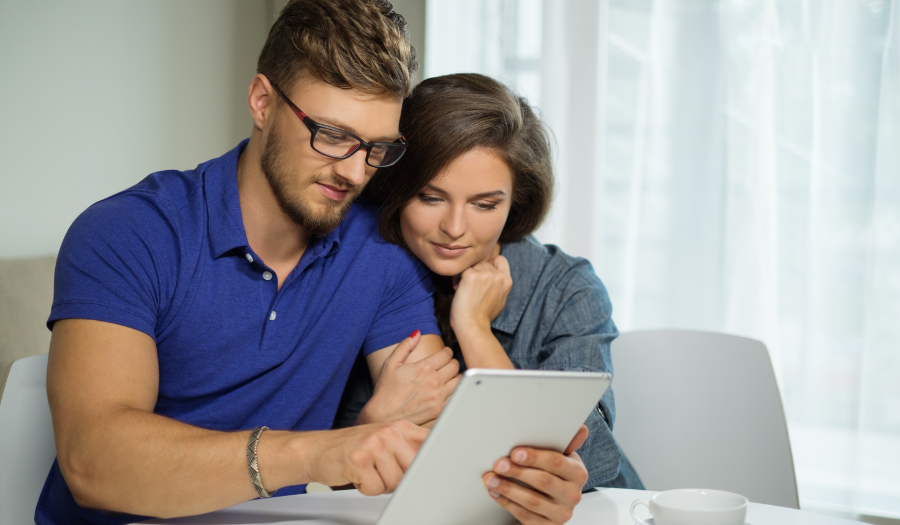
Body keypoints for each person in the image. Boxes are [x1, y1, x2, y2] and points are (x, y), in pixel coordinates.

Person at [36, 1, 469, 523]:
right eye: (332, 135)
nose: (355, 173)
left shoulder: (384, 249)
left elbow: (427, 435)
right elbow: (93, 462)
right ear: (262, 102)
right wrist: (320, 451)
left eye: (377, 148)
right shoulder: (130, 233)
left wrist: (524, 475)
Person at [338, 72, 644, 524]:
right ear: (396, 190)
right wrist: (369, 426)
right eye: (430, 197)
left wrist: (475, 330)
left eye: (484, 204)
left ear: (515, 202)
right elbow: (339, 473)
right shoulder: (366, 276)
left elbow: (594, 460)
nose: (455, 227)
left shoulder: (564, 288)